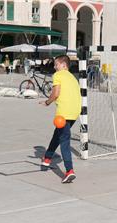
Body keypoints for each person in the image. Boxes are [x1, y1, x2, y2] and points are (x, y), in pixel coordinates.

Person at [39, 55, 81, 183]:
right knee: (57, 135)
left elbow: (56, 93)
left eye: (56, 64)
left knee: (64, 141)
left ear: (64, 65)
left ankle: (69, 171)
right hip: (75, 112)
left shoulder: (58, 75)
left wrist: (47, 102)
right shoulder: (73, 77)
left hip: (64, 113)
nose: (54, 67)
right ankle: (47, 158)